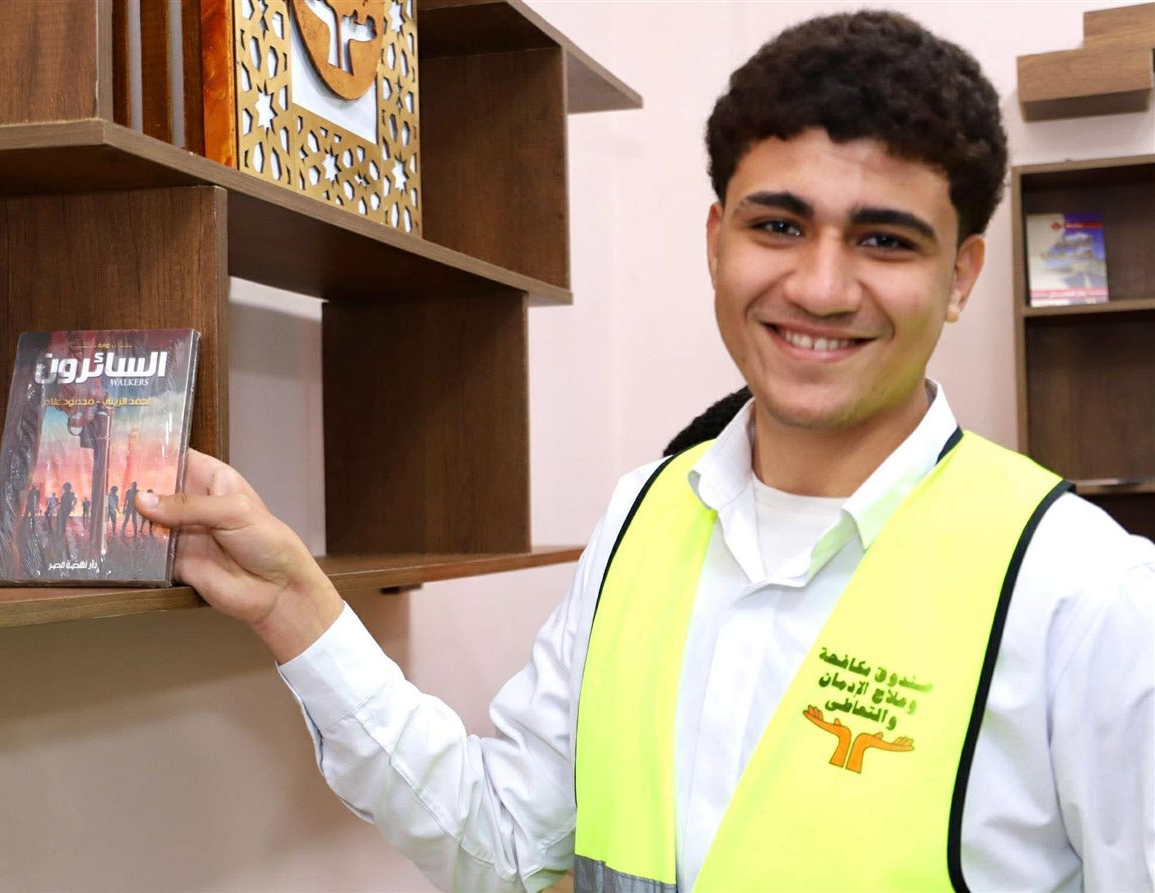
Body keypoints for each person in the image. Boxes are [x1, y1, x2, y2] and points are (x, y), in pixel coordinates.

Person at [135, 10, 1154, 892]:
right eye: (779, 225)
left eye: (884, 239)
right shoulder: (640, 519)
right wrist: (294, 604)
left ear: (962, 275)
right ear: (716, 239)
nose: (820, 286)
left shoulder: (1084, 592)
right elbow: (505, 842)